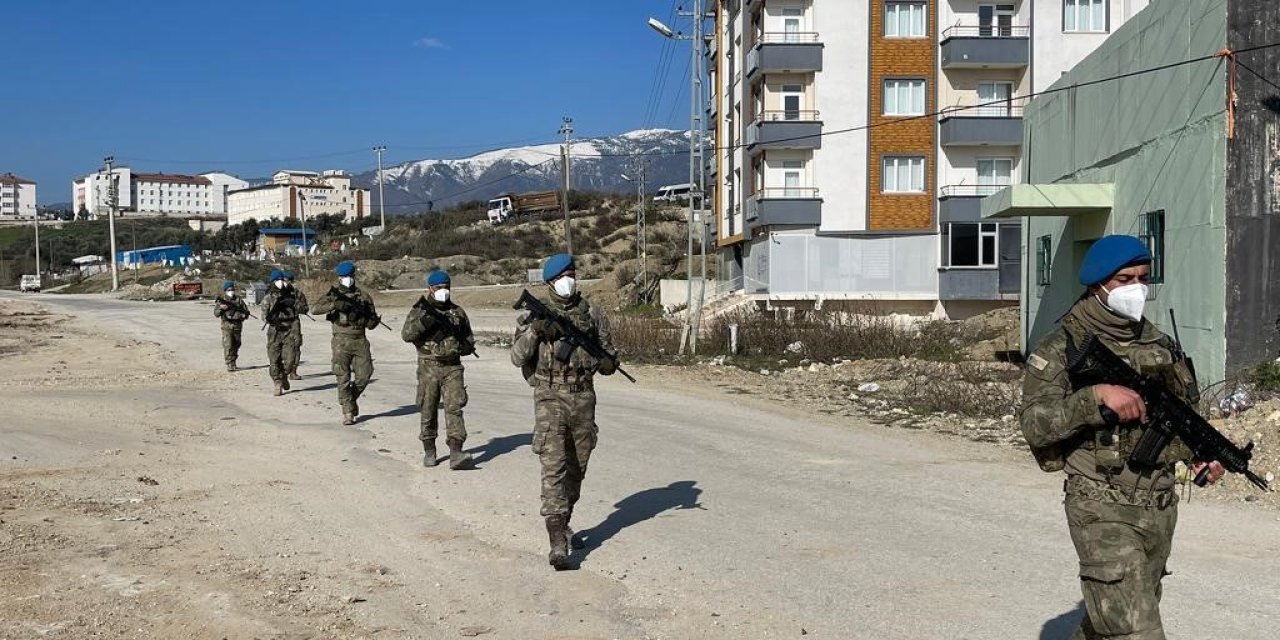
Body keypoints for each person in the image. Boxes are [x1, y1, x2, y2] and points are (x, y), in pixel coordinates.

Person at [1020, 234, 1225, 640]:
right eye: (1124, 279)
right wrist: (1093, 398)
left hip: (1159, 509)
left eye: (1143, 278)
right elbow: (1035, 423)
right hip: (1100, 506)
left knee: (1107, 624)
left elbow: (1180, 420)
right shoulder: (1063, 345)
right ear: (1097, 284)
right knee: (1136, 630)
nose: (1136, 288)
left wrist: (1201, 455)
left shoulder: (1159, 344)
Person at [510, 253, 618, 570]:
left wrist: (610, 362)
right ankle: (557, 541)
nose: (568, 280)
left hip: (583, 395)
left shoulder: (592, 312)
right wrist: (536, 332)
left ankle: (565, 519)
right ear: (549, 282)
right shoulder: (534, 316)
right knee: (553, 465)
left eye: (572, 273)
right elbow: (517, 358)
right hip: (550, 395)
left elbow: (608, 352)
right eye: (562, 275)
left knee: (577, 466)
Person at [401, 270, 475, 470]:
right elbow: (406, 335)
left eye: (446, 287)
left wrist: (463, 345)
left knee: (455, 409)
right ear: (430, 289)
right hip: (428, 367)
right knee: (428, 409)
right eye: (439, 288)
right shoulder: (420, 311)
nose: (443, 291)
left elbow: (469, 340)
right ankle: (429, 450)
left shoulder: (457, 312)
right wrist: (425, 323)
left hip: (452, 367)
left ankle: (456, 451)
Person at [310, 260, 381, 425]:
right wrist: (335, 304)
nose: (347, 279)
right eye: (343, 276)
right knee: (342, 376)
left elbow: (371, 320)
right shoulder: (333, 294)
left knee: (365, 374)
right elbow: (314, 309)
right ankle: (348, 412)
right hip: (341, 340)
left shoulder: (363, 296)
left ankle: (349, 399)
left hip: (360, 338)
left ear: (354, 276)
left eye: (349, 276)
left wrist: (370, 320)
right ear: (339, 278)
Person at [261, 268, 300, 396]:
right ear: (272, 282)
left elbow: (300, 309)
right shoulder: (268, 298)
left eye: (282, 279)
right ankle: (277, 382)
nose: (280, 282)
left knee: (289, 361)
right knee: (274, 360)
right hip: (274, 332)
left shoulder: (291, 295)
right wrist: (273, 318)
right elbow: (264, 316)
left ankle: (284, 375)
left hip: (288, 330)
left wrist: (292, 304)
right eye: (277, 280)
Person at [213, 280, 249, 372]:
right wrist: (221, 309)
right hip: (227, 325)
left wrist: (244, 315)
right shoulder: (222, 301)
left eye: (232, 289)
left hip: (237, 325)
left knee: (237, 344)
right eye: (229, 289)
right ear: (225, 290)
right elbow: (216, 314)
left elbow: (246, 311)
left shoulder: (239, 300)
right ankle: (229, 363)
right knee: (228, 344)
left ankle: (233, 360)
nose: (231, 291)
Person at [282, 270, 309, 380]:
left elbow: (305, 309)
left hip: (294, 323)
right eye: (284, 280)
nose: (285, 283)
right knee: (283, 347)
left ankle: (293, 371)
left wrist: (296, 305)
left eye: (288, 281)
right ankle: (283, 371)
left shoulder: (298, 294)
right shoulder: (277, 293)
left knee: (296, 346)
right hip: (281, 323)